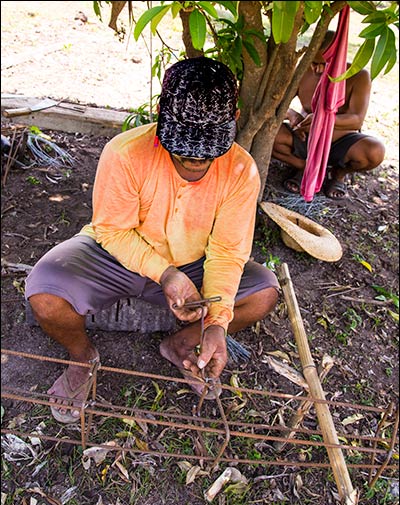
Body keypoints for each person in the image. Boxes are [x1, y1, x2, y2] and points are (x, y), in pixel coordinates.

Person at [25, 56, 279, 423]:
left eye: (206, 153)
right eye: (184, 149)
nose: (194, 161)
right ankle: (82, 358)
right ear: (160, 111)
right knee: (45, 294)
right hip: (116, 253)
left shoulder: (240, 170)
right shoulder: (126, 153)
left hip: (194, 264)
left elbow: (226, 252)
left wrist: (217, 324)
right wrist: (165, 274)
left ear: (234, 117)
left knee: (262, 293)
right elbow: (111, 230)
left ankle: (181, 344)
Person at [272, 31, 385, 198]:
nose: (316, 69)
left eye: (323, 64)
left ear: (338, 59)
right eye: (313, 62)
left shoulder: (359, 76)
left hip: (340, 141)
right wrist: (292, 115)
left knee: (375, 152)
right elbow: (277, 103)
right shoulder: (304, 71)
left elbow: (356, 120)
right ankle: (304, 167)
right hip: (305, 139)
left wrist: (322, 120)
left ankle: (338, 174)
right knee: (270, 135)